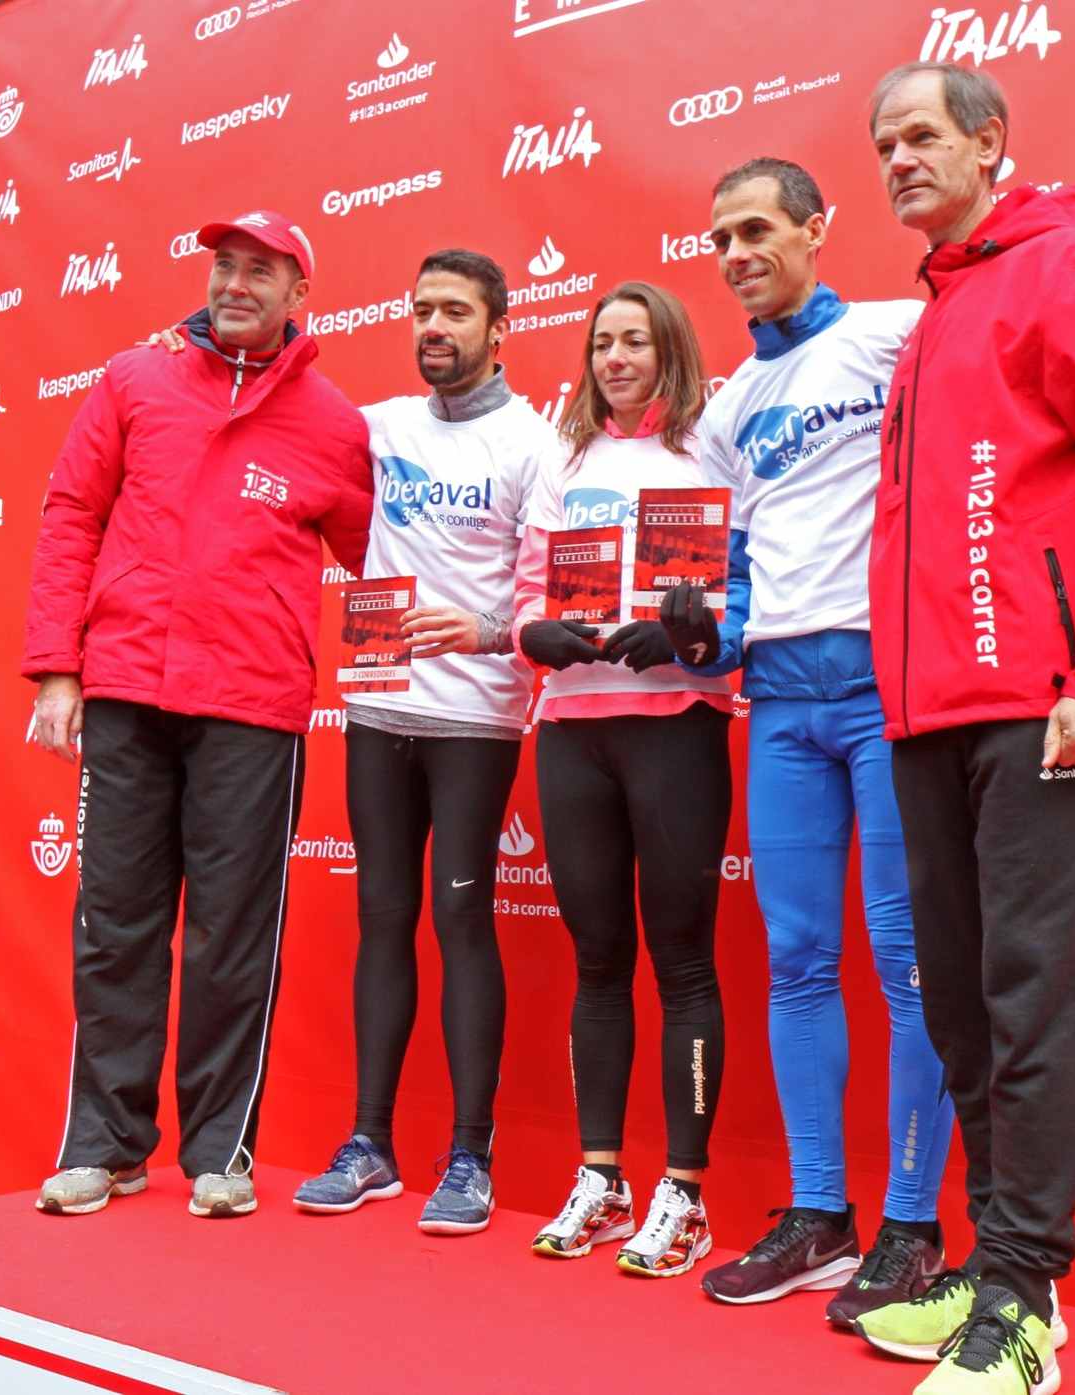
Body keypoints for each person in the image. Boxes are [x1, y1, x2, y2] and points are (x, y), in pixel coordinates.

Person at [853, 64, 1075, 1395]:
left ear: (992, 145)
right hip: (928, 714)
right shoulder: (935, 315)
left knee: (1031, 999)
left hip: (1046, 705)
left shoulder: (1072, 269)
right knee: (965, 1007)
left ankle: (1028, 1294)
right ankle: (995, 1264)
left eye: (923, 136)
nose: (897, 160)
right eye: (883, 144)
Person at [22, 209, 373, 1220]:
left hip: (252, 703)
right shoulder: (132, 381)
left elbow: (376, 559)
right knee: (114, 927)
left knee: (231, 935)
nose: (236, 283)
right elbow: (70, 517)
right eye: (225, 265)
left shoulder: (336, 423)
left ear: (298, 294)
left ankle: (222, 1151)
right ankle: (106, 1143)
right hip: (127, 687)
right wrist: (57, 668)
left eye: (260, 271)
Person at [657, 157, 955, 1322]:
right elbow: (732, 593)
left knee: (903, 961)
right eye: (718, 236)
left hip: (884, 689)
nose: (734, 253)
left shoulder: (895, 333)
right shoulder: (727, 410)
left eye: (755, 230)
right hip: (778, 706)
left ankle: (914, 1228)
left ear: (815, 230)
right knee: (792, 958)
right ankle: (819, 1214)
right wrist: (695, 637)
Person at [287, 250, 554, 1236]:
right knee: (381, 916)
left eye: (453, 311)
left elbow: (539, 593)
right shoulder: (377, 427)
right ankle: (369, 1145)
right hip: (376, 705)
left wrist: (489, 642)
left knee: (460, 924)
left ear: (497, 330)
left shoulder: (533, 442)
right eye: (420, 311)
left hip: (475, 717)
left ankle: (470, 1156)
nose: (431, 326)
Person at [511, 282, 735, 1277]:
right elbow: (524, 592)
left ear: (668, 349)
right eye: (601, 342)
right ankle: (598, 1179)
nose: (614, 358)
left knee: (680, 960)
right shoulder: (564, 458)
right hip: (574, 727)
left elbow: (735, 589)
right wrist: (536, 636)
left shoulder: (705, 447)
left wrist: (693, 632)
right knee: (596, 958)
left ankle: (681, 1194)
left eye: (635, 340)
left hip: (674, 724)